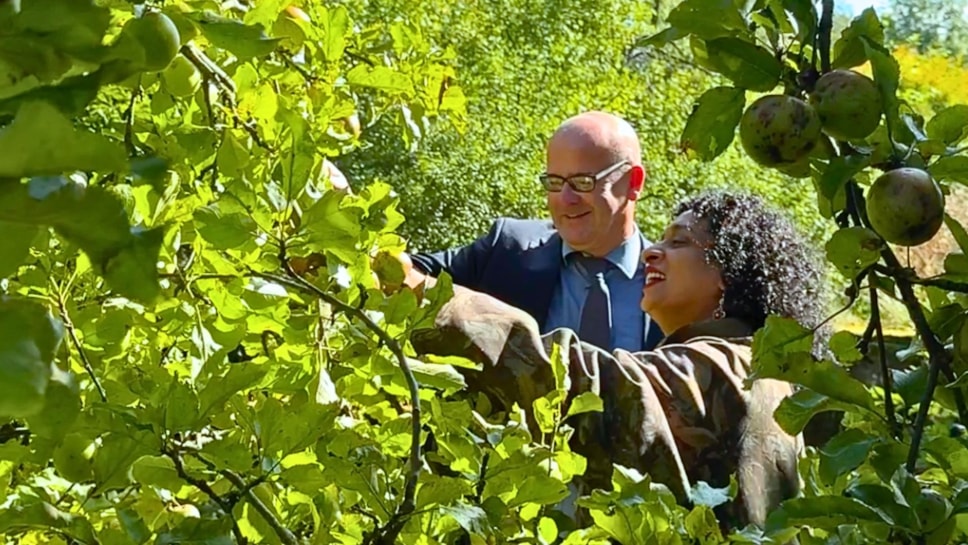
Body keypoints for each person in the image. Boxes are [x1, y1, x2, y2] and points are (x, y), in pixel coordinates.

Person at [412, 191, 825, 530]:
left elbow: (590, 386)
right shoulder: (753, 364)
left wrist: (424, 298)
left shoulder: (732, 367)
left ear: (728, 273)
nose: (652, 253)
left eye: (678, 242)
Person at [405, 111, 664, 352]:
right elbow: (406, 272)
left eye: (582, 183)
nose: (566, 198)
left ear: (633, 182)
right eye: (554, 183)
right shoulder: (507, 250)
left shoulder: (673, 279)